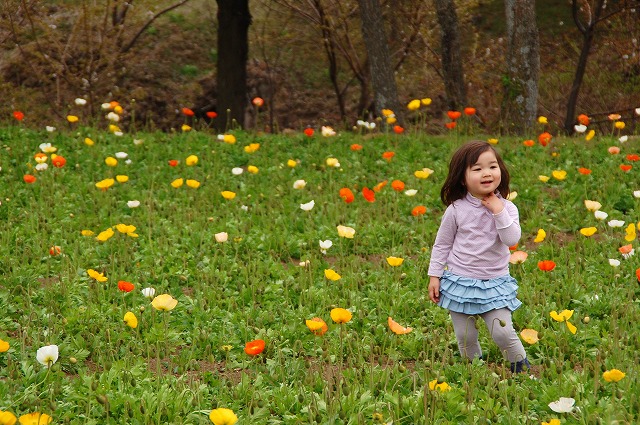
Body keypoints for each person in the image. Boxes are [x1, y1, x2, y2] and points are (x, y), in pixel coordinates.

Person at [427, 140, 530, 373]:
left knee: (502, 331)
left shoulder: (507, 208)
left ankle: (520, 369)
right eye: (477, 168)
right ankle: (473, 370)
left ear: (500, 171)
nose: (487, 173)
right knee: (465, 335)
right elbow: (442, 244)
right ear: (463, 178)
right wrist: (435, 276)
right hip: (459, 281)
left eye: (492, 167)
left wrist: (498, 212)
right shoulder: (455, 210)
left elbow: (511, 239)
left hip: (494, 283)